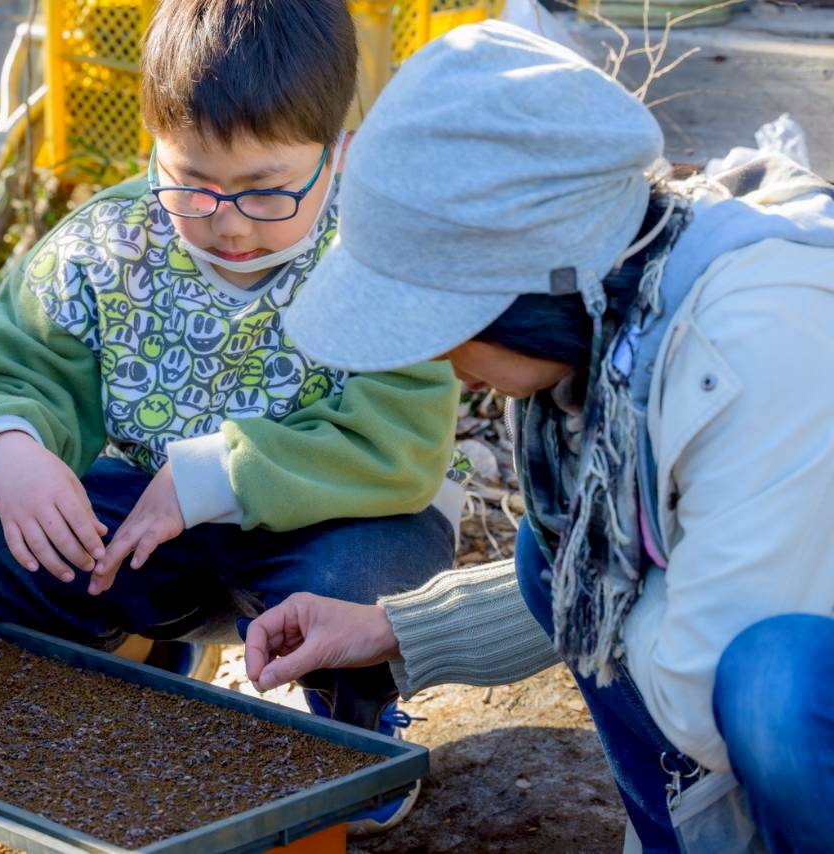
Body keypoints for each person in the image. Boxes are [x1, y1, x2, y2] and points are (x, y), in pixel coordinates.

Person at [245, 21, 834, 851]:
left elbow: (699, 684)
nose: (446, 364)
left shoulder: (757, 342)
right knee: (547, 548)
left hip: (785, 683)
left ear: (530, 285)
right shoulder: (626, 294)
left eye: (442, 324)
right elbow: (599, 574)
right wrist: (394, 630)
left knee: (775, 686)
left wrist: (572, 570)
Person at [0, 0, 467, 832]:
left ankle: (353, 728)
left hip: (338, 530)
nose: (227, 220)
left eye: (265, 189)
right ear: (154, 142)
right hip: (154, 528)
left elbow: (398, 442)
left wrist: (217, 474)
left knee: (361, 578)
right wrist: (11, 449)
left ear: (340, 152)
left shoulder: (378, 252)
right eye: (192, 182)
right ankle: (142, 665)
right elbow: (12, 377)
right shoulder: (100, 247)